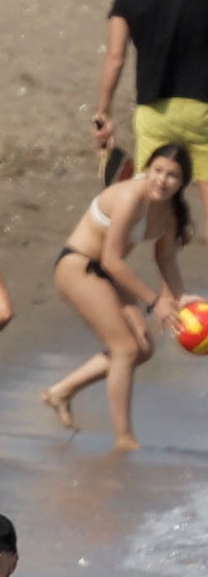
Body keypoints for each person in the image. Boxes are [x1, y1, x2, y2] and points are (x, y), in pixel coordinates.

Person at [37, 144, 195, 444]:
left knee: (143, 349)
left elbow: (166, 259)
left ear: (182, 182)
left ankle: (61, 392)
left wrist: (181, 297)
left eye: (172, 175)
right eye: (158, 170)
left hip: (108, 273)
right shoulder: (131, 196)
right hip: (79, 266)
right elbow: (111, 259)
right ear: (148, 169)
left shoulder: (169, 213)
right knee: (125, 348)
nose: (162, 180)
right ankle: (124, 438)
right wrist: (154, 302)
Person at [99, 0, 208, 179]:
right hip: (202, 109)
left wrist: (104, 112)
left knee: (152, 192)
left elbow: (115, 58)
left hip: (154, 109)